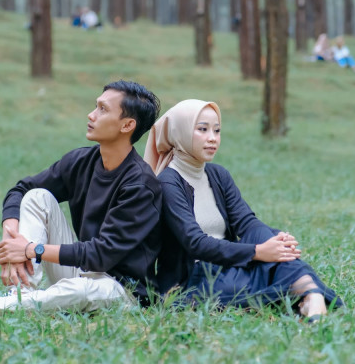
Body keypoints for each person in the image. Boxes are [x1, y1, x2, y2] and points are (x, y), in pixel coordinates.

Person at [0, 80, 162, 315]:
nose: (91, 114)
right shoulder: (81, 161)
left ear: (127, 125)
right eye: (95, 106)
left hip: (121, 290)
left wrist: (29, 249)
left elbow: (101, 255)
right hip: (82, 271)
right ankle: (20, 295)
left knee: (80, 291)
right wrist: (11, 238)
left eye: (103, 109)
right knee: (37, 196)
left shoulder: (140, 185)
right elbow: (21, 189)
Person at [144, 100, 343, 322]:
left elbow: (246, 222)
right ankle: (309, 296)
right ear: (179, 132)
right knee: (267, 270)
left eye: (217, 130)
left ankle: (312, 298)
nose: (212, 138)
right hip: (193, 279)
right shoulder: (168, 182)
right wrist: (258, 252)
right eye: (202, 129)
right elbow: (195, 243)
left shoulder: (218, 175)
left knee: (272, 244)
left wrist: (276, 241)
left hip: (228, 263)